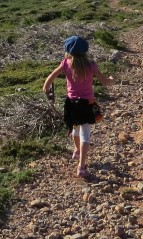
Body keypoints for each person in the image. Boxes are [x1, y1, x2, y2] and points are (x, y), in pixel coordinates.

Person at [43, 35, 115, 178]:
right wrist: (112, 80)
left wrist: (46, 89)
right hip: (87, 105)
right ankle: (81, 166)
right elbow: (105, 82)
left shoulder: (65, 63)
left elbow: (49, 80)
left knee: (74, 129)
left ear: (68, 51)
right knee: (85, 135)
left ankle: (77, 150)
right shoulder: (92, 65)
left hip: (71, 104)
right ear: (85, 50)